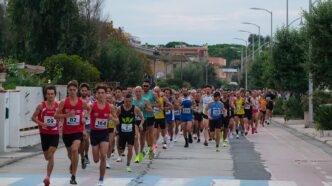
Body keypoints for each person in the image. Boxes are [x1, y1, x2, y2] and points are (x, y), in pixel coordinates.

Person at [55, 80, 90, 185]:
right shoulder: (63, 102)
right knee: (70, 154)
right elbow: (56, 115)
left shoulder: (81, 102)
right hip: (66, 132)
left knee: (75, 150)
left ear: (77, 90)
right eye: (70, 90)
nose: (72, 91)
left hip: (78, 131)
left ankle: (73, 176)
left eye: (74, 90)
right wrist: (66, 116)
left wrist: (84, 117)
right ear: (67, 90)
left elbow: (89, 109)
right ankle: (73, 162)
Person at [89, 84, 119, 186]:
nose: (101, 95)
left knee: (103, 156)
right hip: (94, 134)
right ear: (96, 95)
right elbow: (85, 117)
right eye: (99, 93)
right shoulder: (92, 105)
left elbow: (117, 121)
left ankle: (101, 180)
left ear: (106, 94)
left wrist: (112, 118)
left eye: (103, 93)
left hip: (104, 133)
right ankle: (100, 175)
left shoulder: (110, 107)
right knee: (96, 159)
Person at [31, 85, 59, 186]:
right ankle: (47, 176)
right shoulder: (41, 106)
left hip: (54, 134)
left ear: (55, 95)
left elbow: (62, 117)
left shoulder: (58, 106)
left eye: (52, 94)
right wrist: (41, 124)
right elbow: (33, 117)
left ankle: (47, 177)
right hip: (44, 134)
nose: (50, 96)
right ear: (46, 95)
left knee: (51, 155)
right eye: (48, 94)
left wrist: (61, 125)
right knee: (47, 157)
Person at [117, 94, 144, 172]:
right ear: (123, 101)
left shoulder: (135, 108)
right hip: (122, 131)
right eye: (126, 101)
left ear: (132, 101)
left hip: (131, 131)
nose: (128, 103)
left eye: (129, 101)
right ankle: (120, 155)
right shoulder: (119, 109)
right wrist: (115, 128)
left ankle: (128, 164)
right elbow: (115, 118)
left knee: (130, 148)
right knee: (121, 149)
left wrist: (141, 124)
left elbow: (142, 118)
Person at [79, 83, 92, 169]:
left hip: (87, 124)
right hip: (78, 124)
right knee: (81, 142)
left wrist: (87, 114)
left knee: (85, 138)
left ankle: (86, 155)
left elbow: (92, 110)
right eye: (82, 90)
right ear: (80, 91)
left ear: (88, 91)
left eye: (85, 90)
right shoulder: (78, 100)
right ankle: (82, 157)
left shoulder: (91, 101)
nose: (84, 92)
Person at [106, 92, 117, 169]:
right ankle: (103, 158)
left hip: (110, 127)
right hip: (101, 128)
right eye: (106, 98)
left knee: (110, 144)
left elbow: (116, 119)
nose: (108, 99)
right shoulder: (100, 106)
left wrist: (111, 118)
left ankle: (107, 160)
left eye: (109, 98)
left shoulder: (112, 107)